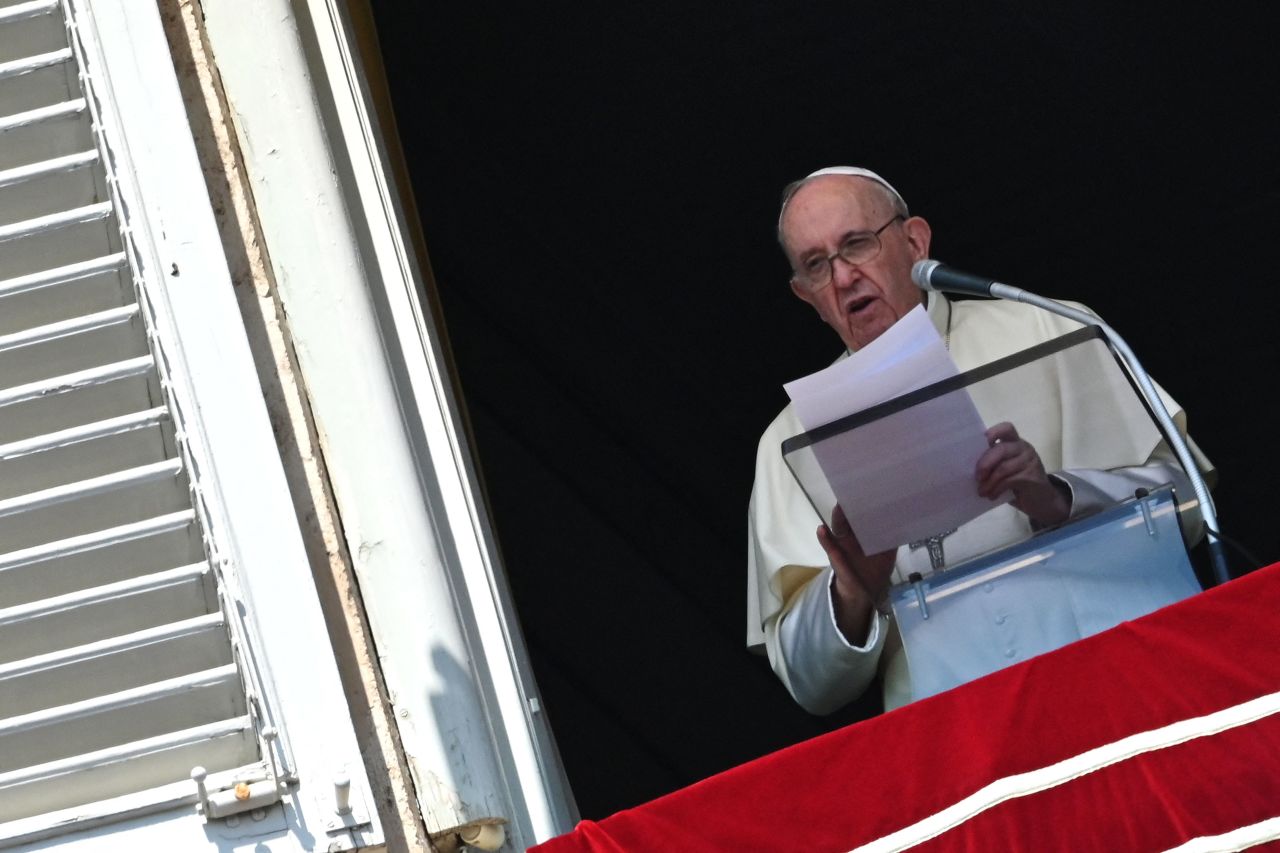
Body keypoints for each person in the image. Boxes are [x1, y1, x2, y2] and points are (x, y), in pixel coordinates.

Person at [746, 167, 1212, 714]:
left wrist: (1058, 499)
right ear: (807, 295)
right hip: (962, 743)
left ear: (914, 241)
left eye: (857, 244)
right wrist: (853, 592)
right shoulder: (791, 437)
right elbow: (811, 685)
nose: (844, 276)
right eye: (817, 265)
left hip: (1129, 685)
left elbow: (1191, 508)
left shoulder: (1047, 329)